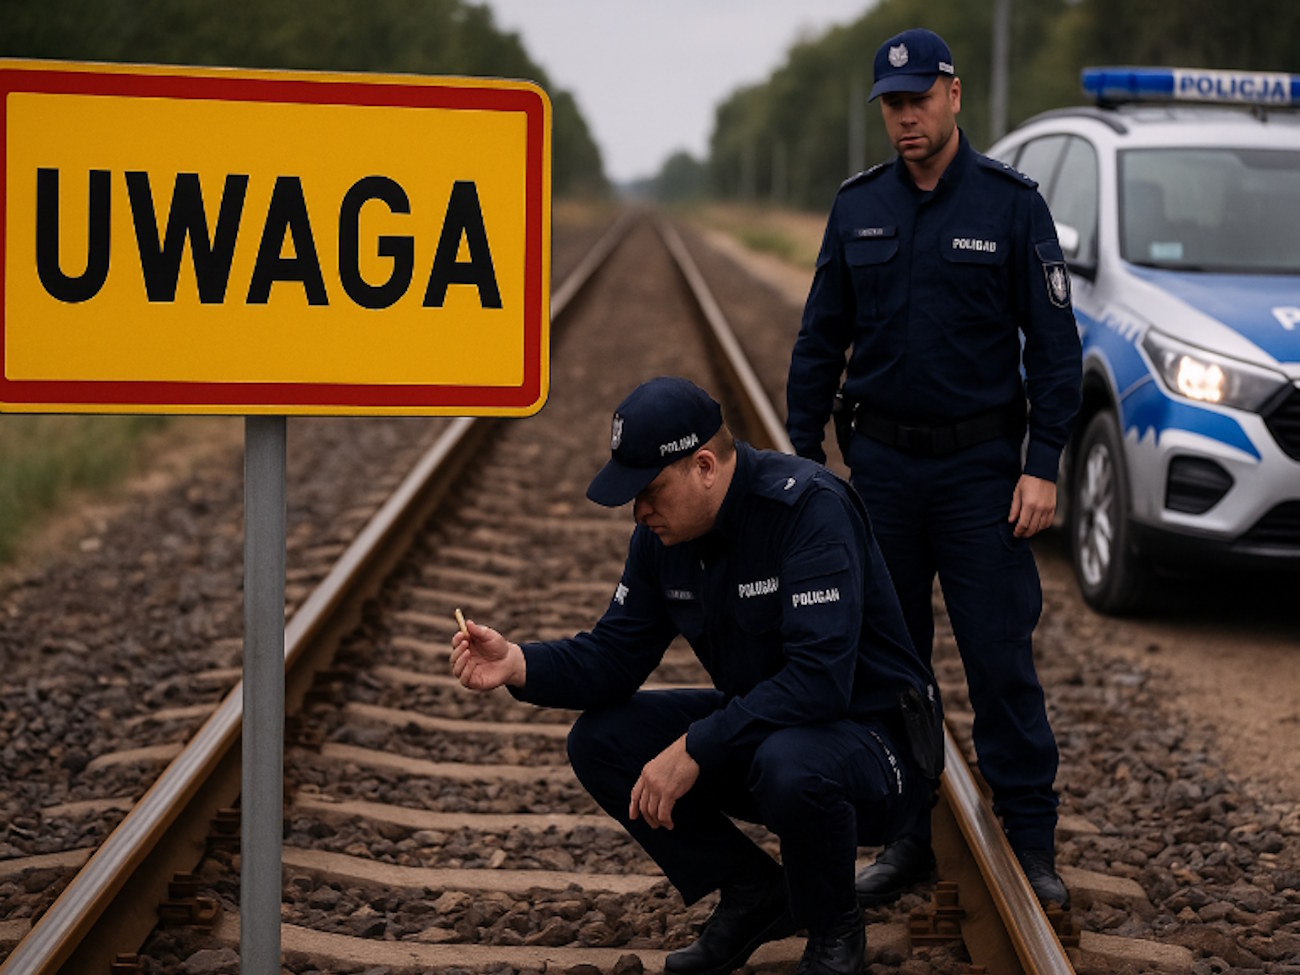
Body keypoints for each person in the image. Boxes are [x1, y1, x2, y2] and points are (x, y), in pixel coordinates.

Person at [451, 376, 943, 975]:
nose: (639, 510)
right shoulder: (664, 535)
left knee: (791, 763)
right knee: (601, 741)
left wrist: (695, 746)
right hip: (772, 734)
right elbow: (614, 656)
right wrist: (518, 662)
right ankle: (755, 892)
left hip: (874, 746)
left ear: (705, 466)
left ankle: (835, 929)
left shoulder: (808, 509)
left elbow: (819, 682)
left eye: (650, 490)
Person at [785, 27, 1082, 912]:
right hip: (879, 472)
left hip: (983, 474)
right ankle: (908, 834)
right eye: (891, 104)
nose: (904, 118)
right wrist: (803, 458)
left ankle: (1030, 844)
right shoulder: (857, 207)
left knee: (999, 658)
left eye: (917, 100)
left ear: (954, 95)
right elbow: (818, 340)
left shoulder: (1011, 205)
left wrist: (1043, 465)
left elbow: (1055, 349)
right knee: (891, 663)